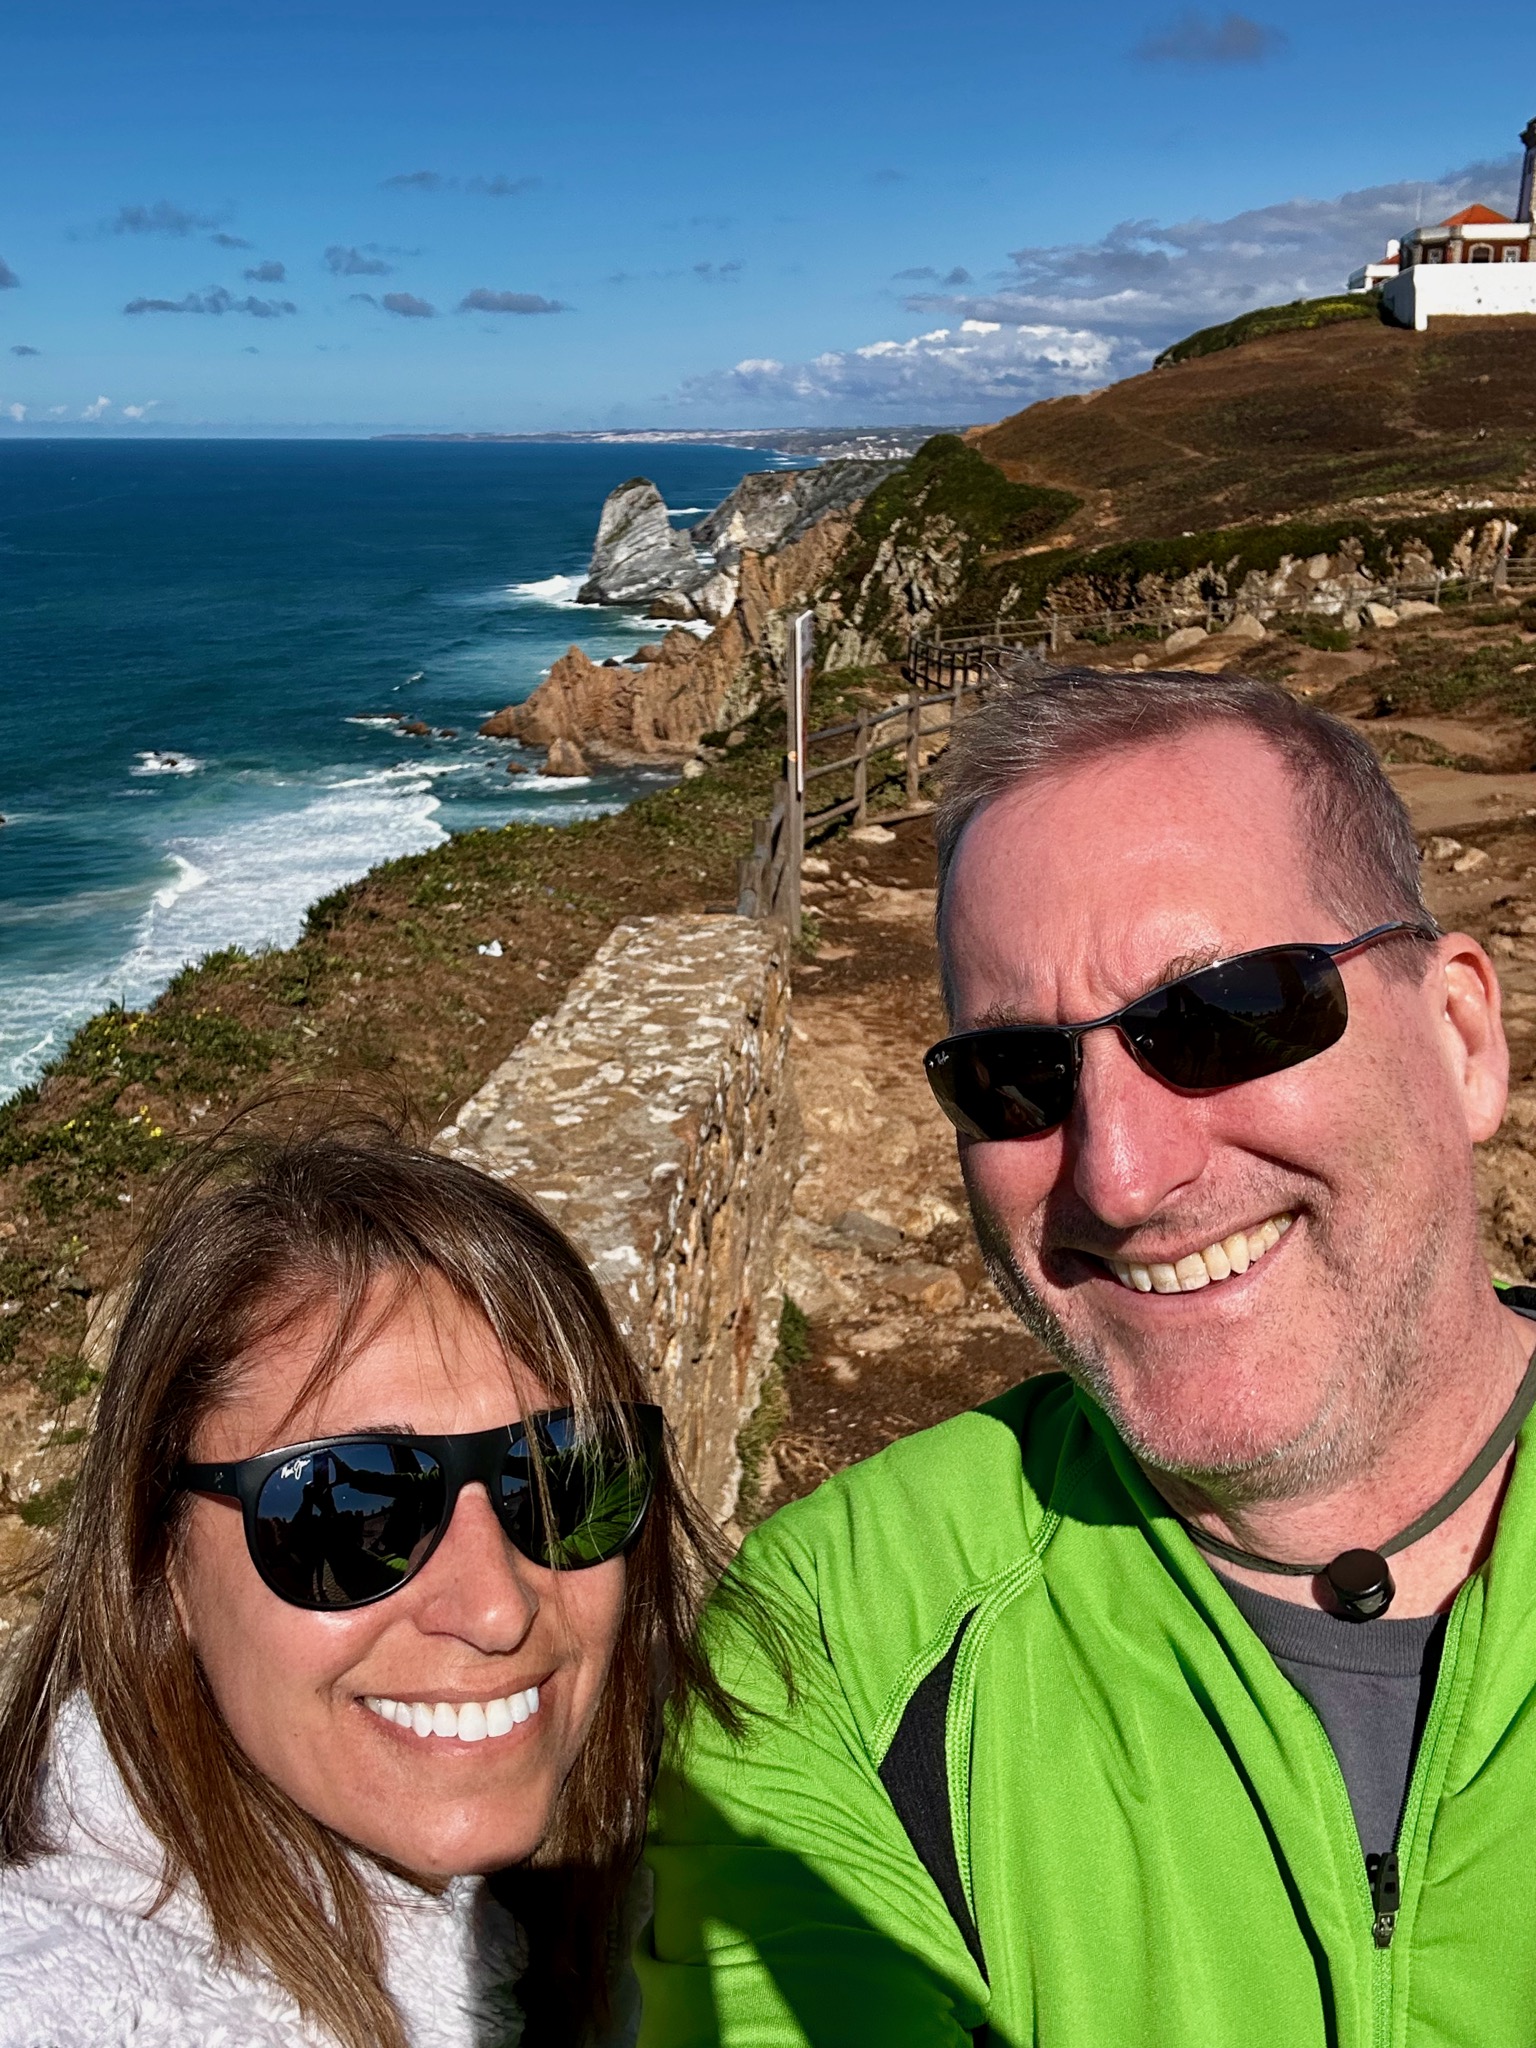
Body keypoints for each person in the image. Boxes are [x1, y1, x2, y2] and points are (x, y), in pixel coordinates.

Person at [640, 663, 1536, 2046]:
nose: (1119, 1178)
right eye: (1016, 1077)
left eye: (1224, 1016)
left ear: (1463, 1037)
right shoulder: (836, 1631)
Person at [0, 1114, 732, 2047]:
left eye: (559, 1479)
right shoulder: (71, 1998)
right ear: (162, 1564)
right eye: (348, 1518)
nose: (498, 1609)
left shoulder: (655, 1835)